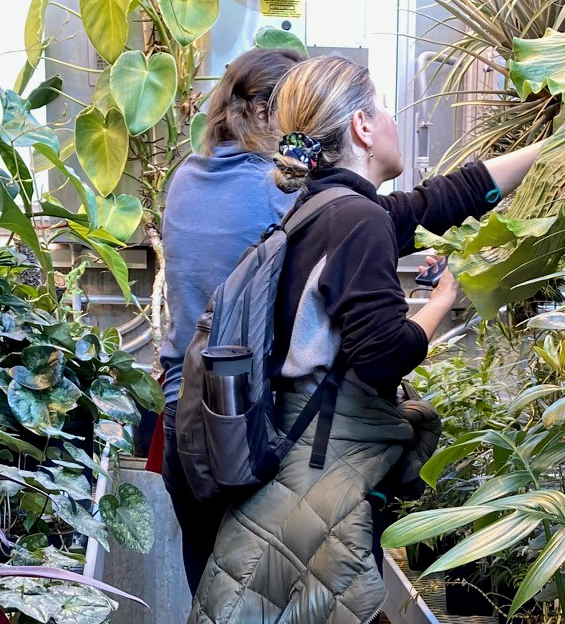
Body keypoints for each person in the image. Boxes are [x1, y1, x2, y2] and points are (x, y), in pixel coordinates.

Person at [189, 56, 542, 624]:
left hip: (296, 456)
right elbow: (384, 356)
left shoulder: (322, 208)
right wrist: (441, 303)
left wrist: (551, 149)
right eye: (384, 107)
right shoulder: (357, 219)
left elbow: (444, 199)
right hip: (326, 461)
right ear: (362, 126)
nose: (393, 118)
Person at [159, 47, 304, 596]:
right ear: (266, 114)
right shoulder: (279, 190)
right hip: (241, 424)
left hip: (181, 415)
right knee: (266, 598)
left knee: (208, 591)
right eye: (300, 111)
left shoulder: (184, 179)